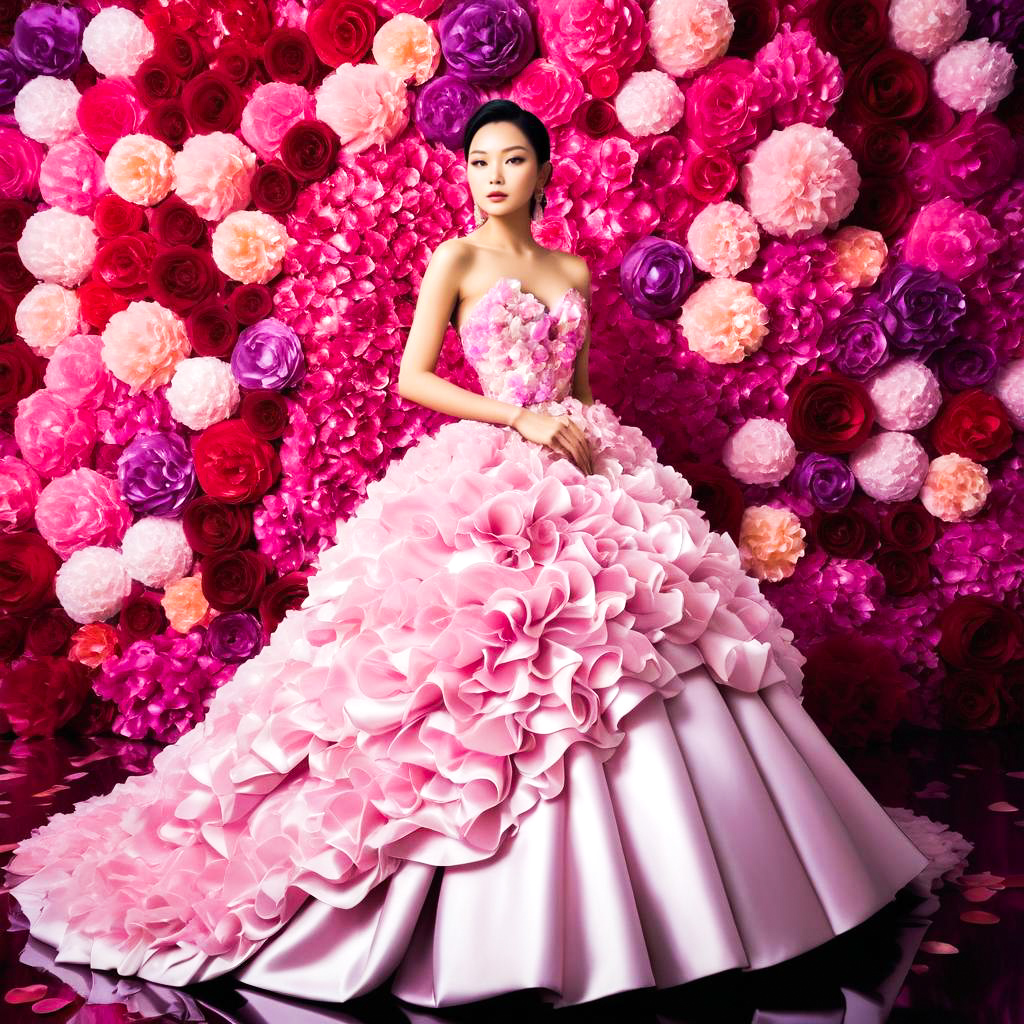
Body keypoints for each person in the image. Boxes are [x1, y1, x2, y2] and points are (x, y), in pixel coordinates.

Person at [6, 99, 949, 1010]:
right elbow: (417, 375)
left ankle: (699, 890)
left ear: (542, 172)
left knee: (642, 642)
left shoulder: (572, 272)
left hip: (582, 460)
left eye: (510, 161)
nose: (491, 176)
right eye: (479, 162)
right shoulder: (454, 258)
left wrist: (581, 435)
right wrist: (518, 415)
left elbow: (577, 386)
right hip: (490, 461)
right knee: (473, 668)